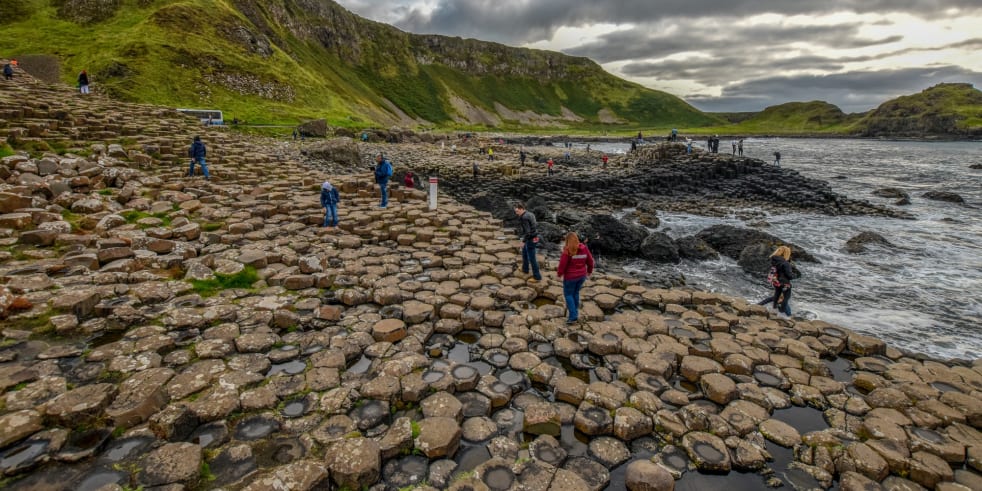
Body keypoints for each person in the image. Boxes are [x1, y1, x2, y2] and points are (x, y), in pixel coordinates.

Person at [557, 232, 595, 324]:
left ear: (567, 241)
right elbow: (590, 261)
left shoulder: (567, 251)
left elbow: (562, 265)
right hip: (581, 276)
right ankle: (575, 310)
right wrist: (589, 271)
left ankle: (573, 316)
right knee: (576, 292)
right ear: (577, 240)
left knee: (568, 295)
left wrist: (559, 274)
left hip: (570, 278)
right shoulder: (584, 248)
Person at [757, 246, 794, 316]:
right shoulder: (785, 263)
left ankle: (770, 308)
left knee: (776, 296)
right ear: (786, 253)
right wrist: (793, 276)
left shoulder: (774, 261)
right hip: (784, 283)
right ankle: (784, 314)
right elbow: (789, 275)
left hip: (776, 282)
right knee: (785, 298)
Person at [515, 203, 542, 282]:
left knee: (532, 258)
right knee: (524, 253)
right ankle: (525, 269)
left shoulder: (524, 217)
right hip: (535, 236)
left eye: (517, 211)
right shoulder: (530, 214)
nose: (516, 213)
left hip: (531, 238)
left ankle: (537, 277)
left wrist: (523, 241)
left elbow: (528, 232)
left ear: (521, 209)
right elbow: (534, 226)